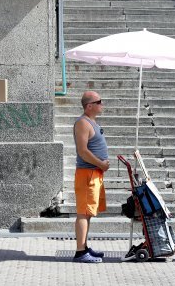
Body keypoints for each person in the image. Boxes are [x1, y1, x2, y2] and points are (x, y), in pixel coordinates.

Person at [73, 91, 110, 263]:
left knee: (88, 213)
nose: (102, 104)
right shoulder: (82, 123)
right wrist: (101, 164)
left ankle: (85, 247)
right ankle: (80, 252)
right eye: (99, 101)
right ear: (89, 106)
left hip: (94, 174)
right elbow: (83, 151)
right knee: (83, 213)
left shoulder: (91, 122)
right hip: (87, 174)